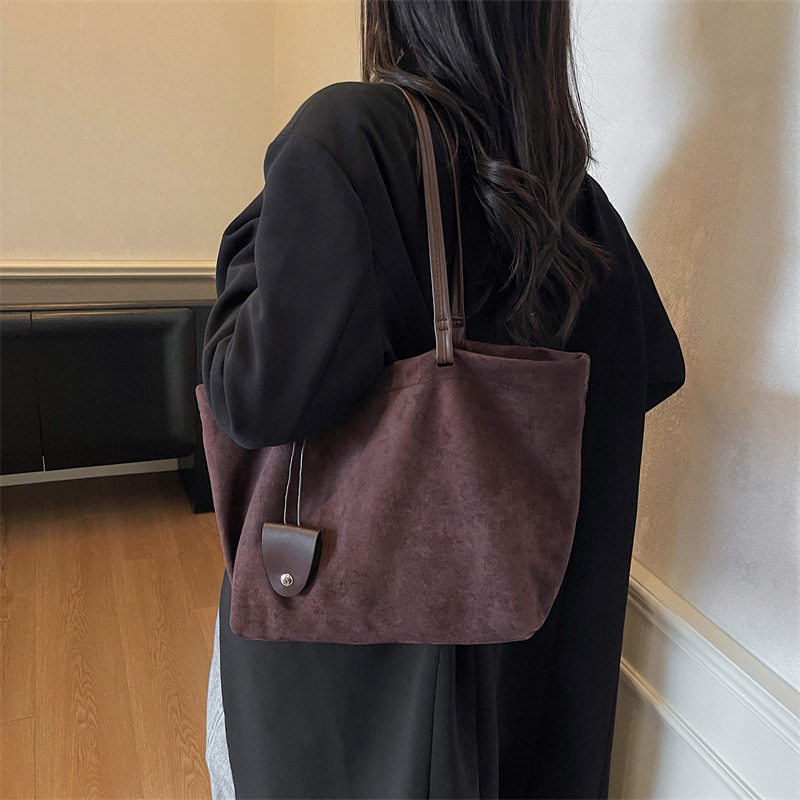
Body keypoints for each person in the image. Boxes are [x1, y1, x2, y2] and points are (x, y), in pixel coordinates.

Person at [201, 1, 686, 797]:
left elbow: (249, 396)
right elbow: (649, 372)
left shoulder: (352, 138)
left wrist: (254, 238)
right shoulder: (578, 203)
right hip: (518, 680)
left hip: (348, 691)